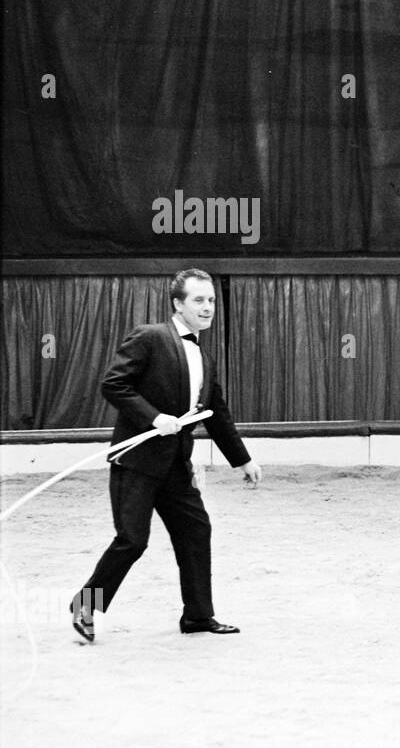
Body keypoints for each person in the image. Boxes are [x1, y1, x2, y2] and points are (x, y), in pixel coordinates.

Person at [70, 269, 262, 642]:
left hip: (175, 466)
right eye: (199, 300)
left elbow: (216, 413)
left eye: (211, 301)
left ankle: (197, 616)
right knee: (132, 541)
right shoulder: (151, 337)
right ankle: (85, 607)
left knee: (195, 531)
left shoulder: (205, 356)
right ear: (178, 304)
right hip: (137, 462)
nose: (208, 307)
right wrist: (154, 417)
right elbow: (114, 384)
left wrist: (243, 459)